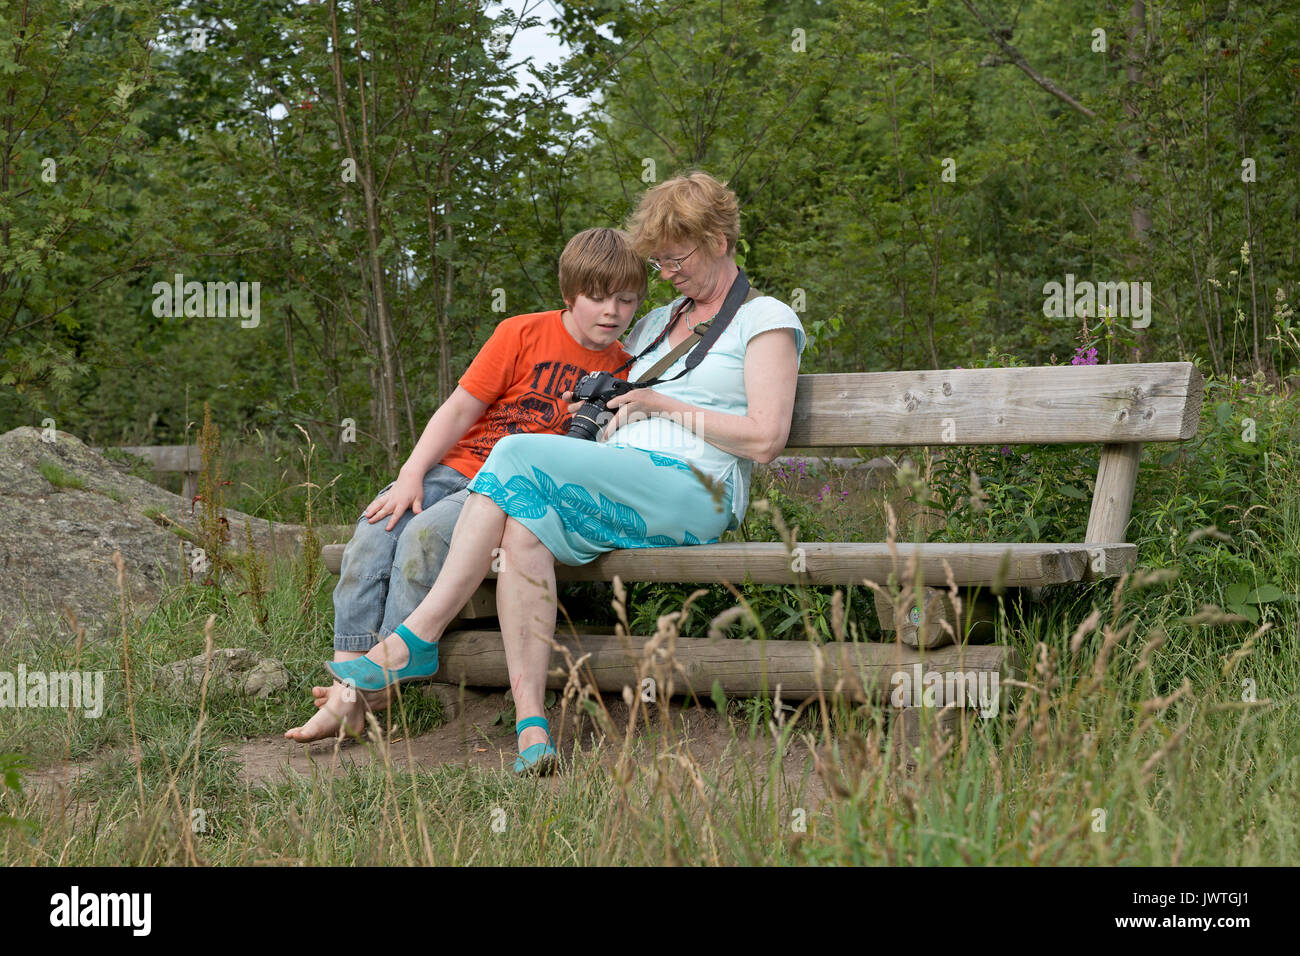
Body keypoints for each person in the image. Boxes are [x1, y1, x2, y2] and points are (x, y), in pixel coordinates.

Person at [311, 171, 806, 775]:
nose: (667, 273)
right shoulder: (653, 324)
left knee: (516, 452)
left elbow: (765, 439)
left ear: (720, 240)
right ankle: (532, 727)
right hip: (619, 479)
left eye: (677, 260)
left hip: (691, 489)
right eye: (661, 263)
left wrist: (660, 406)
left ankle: (414, 639)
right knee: (523, 531)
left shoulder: (766, 319)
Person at [285, 227, 647, 741]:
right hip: (455, 467)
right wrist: (411, 474)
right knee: (373, 530)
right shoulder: (521, 333)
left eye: (626, 299)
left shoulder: (624, 370)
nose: (611, 311)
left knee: (423, 537)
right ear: (569, 295)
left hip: (500, 493)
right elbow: (460, 410)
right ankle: (349, 681)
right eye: (597, 297)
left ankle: (368, 689)